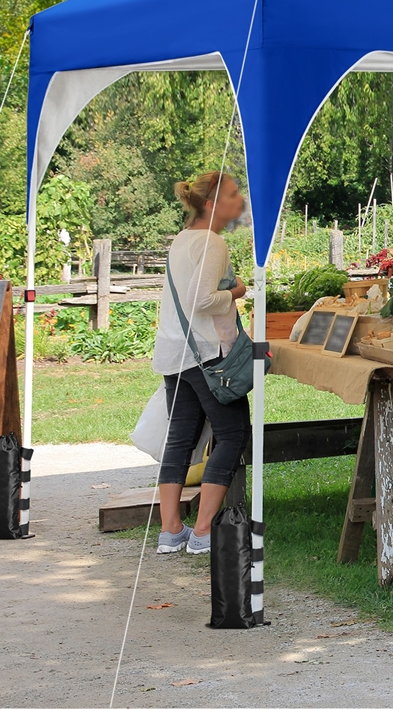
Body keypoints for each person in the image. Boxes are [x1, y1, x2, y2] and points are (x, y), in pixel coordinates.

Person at [153, 171, 250, 555]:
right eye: (232, 194)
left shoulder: (182, 239)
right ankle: (204, 530)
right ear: (211, 204)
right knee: (232, 434)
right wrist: (237, 291)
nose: (239, 200)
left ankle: (170, 530)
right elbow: (202, 300)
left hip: (174, 352)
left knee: (180, 439)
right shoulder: (212, 242)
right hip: (205, 354)